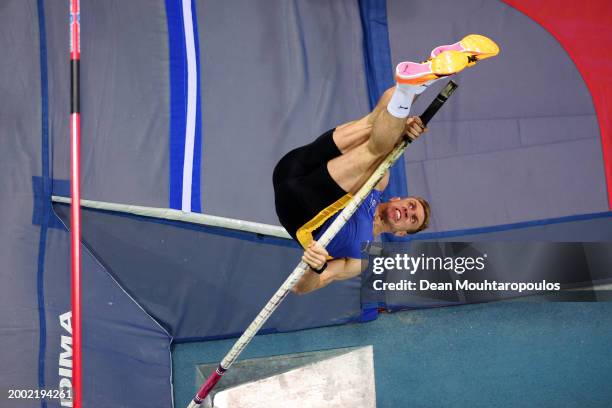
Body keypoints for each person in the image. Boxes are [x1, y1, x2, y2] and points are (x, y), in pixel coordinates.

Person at [273, 34, 499, 294]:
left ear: (401, 234)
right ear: (398, 199)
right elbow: (383, 132)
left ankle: (422, 76)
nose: (408, 212)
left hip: (300, 209)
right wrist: (404, 127)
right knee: (375, 132)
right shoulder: (380, 180)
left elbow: (301, 289)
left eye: (412, 219)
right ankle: (414, 83)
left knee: (378, 137)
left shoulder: (361, 258)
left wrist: (317, 268)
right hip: (293, 169)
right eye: (411, 206)